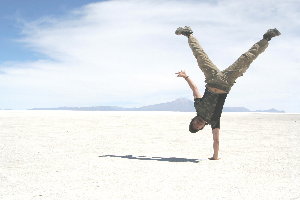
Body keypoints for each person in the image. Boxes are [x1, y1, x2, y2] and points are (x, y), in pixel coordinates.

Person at [175, 26, 280, 160]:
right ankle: (267, 38)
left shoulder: (198, 106)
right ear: (202, 127)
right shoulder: (214, 121)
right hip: (226, 82)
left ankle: (188, 34)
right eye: (199, 126)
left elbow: (195, 89)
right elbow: (216, 140)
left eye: (195, 123)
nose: (198, 123)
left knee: (201, 56)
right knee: (246, 59)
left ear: (193, 119)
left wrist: (186, 77)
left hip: (212, 79)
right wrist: (215, 156)